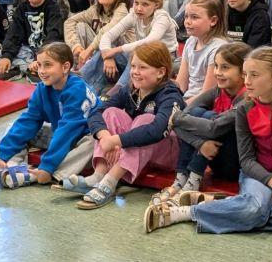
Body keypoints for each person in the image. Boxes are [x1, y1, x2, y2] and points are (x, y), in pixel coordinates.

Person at [145, 46, 272, 235]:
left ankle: (228, 205)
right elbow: (247, 160)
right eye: (245, 74)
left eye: (254, 75)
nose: (247, 81)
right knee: (254, 209)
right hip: (257, 175)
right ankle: (187, 212)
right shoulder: (246, 108)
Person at [59, 42, 184, 210]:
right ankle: (99, 175)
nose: (135, 72)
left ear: (161, 72)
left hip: (167, 154)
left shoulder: (171, 94)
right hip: (136, 152)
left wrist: (116, 140)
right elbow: (97, 112)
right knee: (111, 112)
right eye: (133, 66)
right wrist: (105, 137)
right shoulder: (130, 89)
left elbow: (156, 130)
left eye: (142, 67)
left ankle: (110, 182)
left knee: (146, 120)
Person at [152, 42, 250, 203]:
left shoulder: (247, 99)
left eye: (225, 67)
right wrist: (201, 144)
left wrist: (176, 118)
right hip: (214, 155)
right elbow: (183, 117)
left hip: (237, 165)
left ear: (243, 72)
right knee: (197, 113)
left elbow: (213, 128)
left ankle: (193, 181)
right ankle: (181, 179)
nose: (217, 72)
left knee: (209, 118)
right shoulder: (219, 90)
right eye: (216, 66)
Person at [0, 43, 97, 189]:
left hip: (82, 137)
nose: (41, 71)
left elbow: (67, 132)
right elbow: (28, 121)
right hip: (60, 134)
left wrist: (47, 167)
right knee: (14, 128)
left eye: (48, 65)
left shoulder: (77, 90)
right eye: (39, 65)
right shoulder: (42, 88)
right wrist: (3, 153)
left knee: (93, 144)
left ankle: (47, 175)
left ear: (65, 67)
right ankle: (11, 166)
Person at [85, 0, 177, 93]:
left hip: (164, 59)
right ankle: (81, 81)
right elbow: (108, 35)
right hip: (142, 54)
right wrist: (107, 56)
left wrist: (116, 50)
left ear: (156, 5)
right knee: (104, 50)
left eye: (145, 4)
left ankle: (117, 91)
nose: (139, 8)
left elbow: (150, 41)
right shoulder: (134, 15)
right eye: (136, 3)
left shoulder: (162, 18)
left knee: (137, 56)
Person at [0, 0, 66, 79]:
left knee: (56, 57)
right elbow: (13, 34)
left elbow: (53, 36)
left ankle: (22, 68)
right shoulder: (21, 8)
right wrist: (6, 56)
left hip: (47, 49)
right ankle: (28, 69)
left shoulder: (53, 8)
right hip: (27, 49)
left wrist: (39, 58)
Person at [65, 0, 130, 72]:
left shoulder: (122, 10)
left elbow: (107, 32)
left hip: (122, 55)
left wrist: (89, 50)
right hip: (100, 51)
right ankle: (79, 64)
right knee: (80, 25)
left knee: (110, 38)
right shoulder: (95, 9)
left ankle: (83, 72)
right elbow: (70, 21)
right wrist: (76, 46)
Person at [177, 0, 230, 101]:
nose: (187, 22)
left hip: (203, 104)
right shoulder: (191, 41)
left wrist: (181, 106)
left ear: (213, 20)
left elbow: (207, 95)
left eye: (194, 17)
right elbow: (180, 85)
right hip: (188, 99)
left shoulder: (218, 48)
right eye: (186, 16)